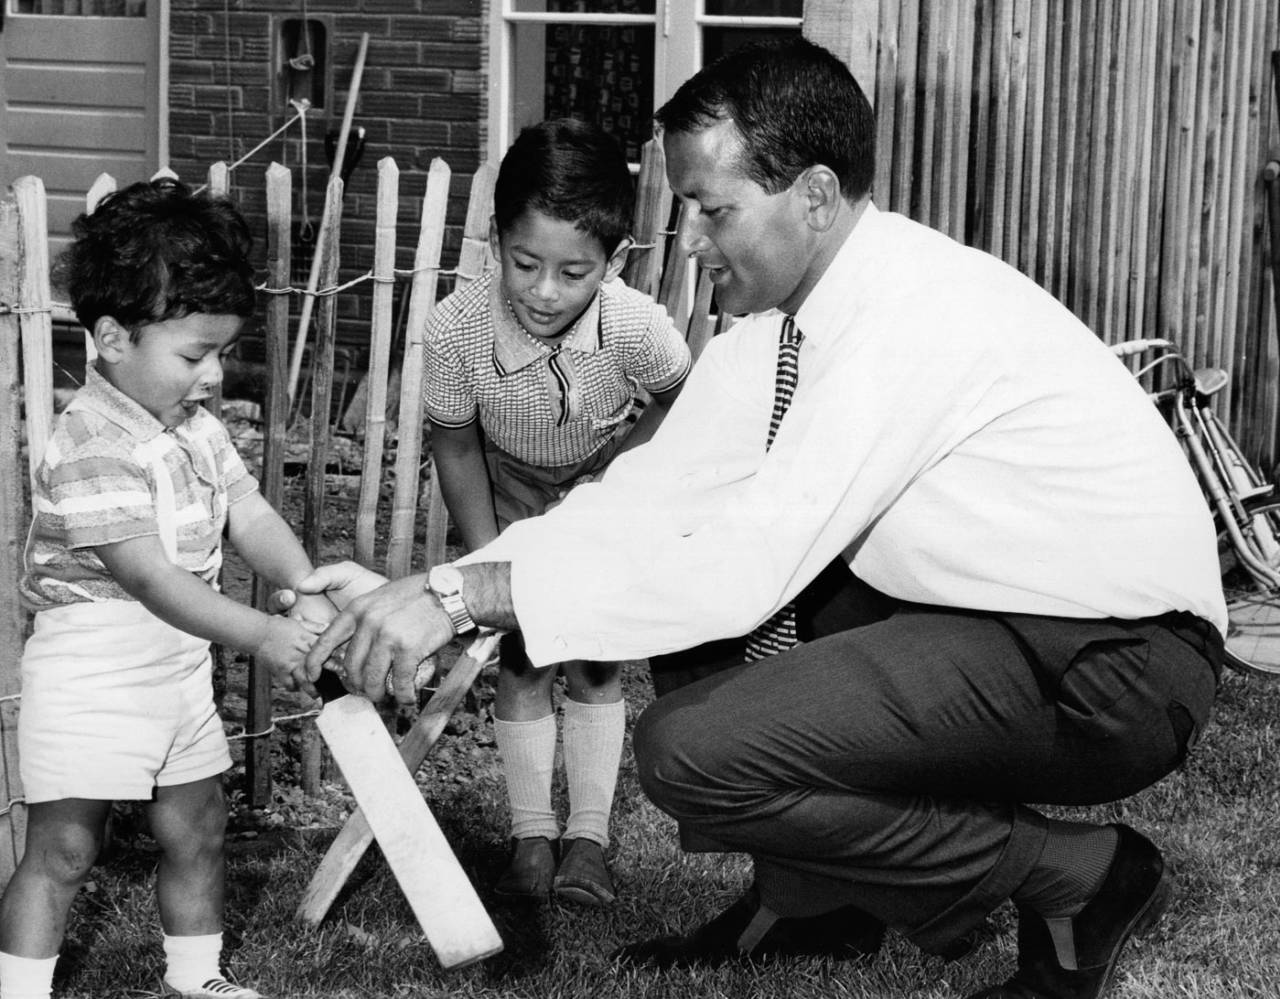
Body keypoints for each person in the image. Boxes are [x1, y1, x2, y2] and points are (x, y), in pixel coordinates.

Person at [291, 37, 1225, 999]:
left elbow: (745, 564)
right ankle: (817, 897)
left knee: (694, 749)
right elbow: (643, 500)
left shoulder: (912, 313)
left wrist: (467, 600)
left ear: (815, 197)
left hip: (1114, 661)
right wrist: (438, 587)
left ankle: (1082, 875)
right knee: (697, 651)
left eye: (712, 208)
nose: (689, 238)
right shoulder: (779, 332)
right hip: (983, 616)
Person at [0, 179, 335, 999]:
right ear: (112, 338)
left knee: (199, 826)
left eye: (220, 352)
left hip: (178, 656)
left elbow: (247, 510)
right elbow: (148, 576)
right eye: (194, 355)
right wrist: (259, 633)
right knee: (66, 849)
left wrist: (301, 582)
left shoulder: (196, 427)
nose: (214, 376)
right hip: (93, 666)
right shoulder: (87, 442)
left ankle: (196, 978)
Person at [424, 117, 691, 905]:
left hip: (597, 485)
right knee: (523, 655)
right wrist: (490, 558)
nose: (545, 291)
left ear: (612, 262)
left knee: (594, 658)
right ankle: (532, 836)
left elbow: (679, 396)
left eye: (573, 272)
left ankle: (589, 843)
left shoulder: (636, 326)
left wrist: (616, 481)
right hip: (503, 485)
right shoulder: (456, 327)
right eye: (524, 263)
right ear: (494, 243)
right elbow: (455, 441)